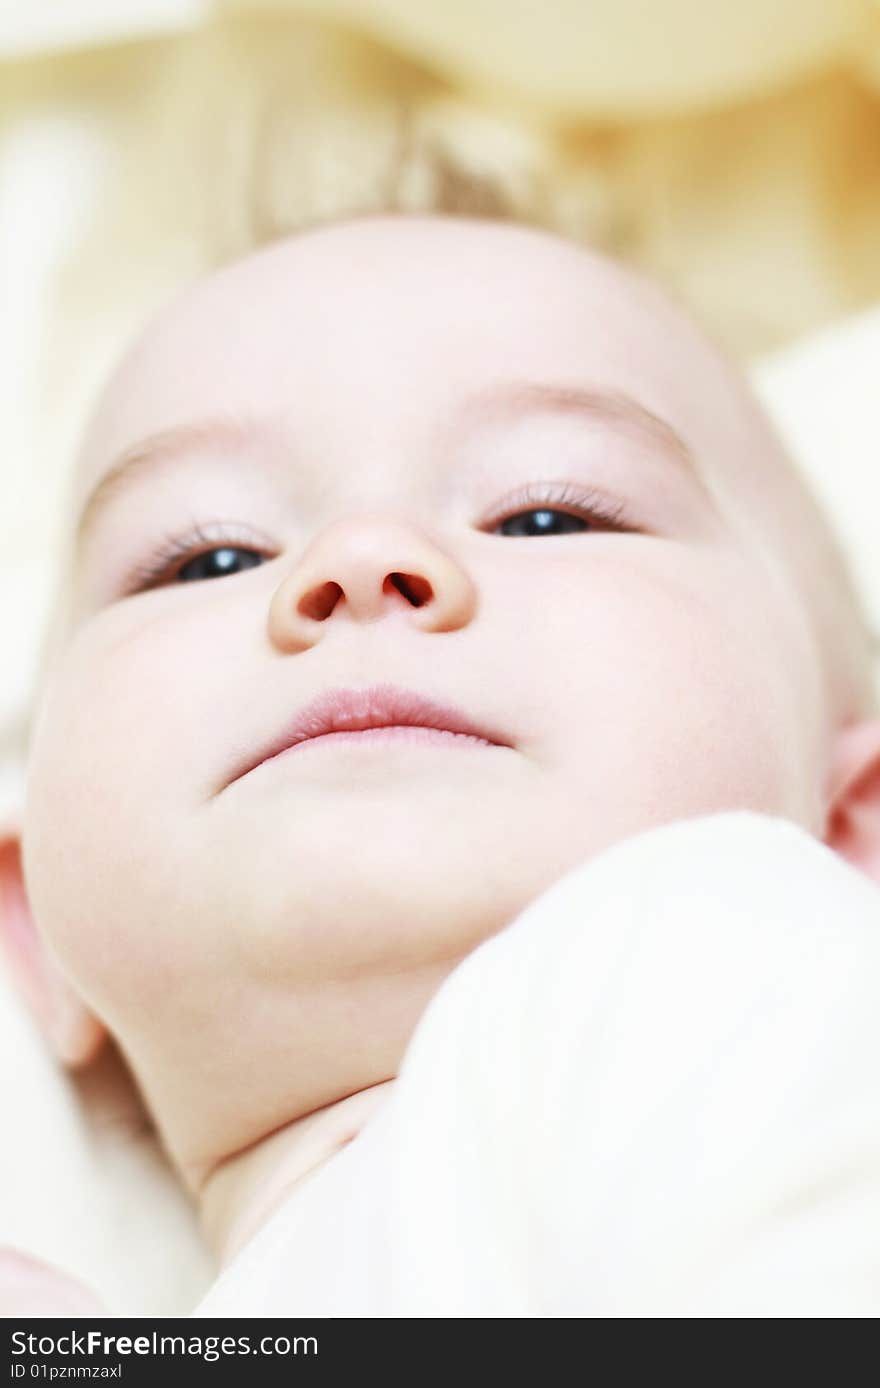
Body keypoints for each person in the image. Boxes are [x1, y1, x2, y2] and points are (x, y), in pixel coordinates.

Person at [2, 212, 880, 1316]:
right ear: (31, 915)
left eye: (546, 514)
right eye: (207, 555)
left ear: (850, 824)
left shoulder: (707, 956)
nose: (360, 558)